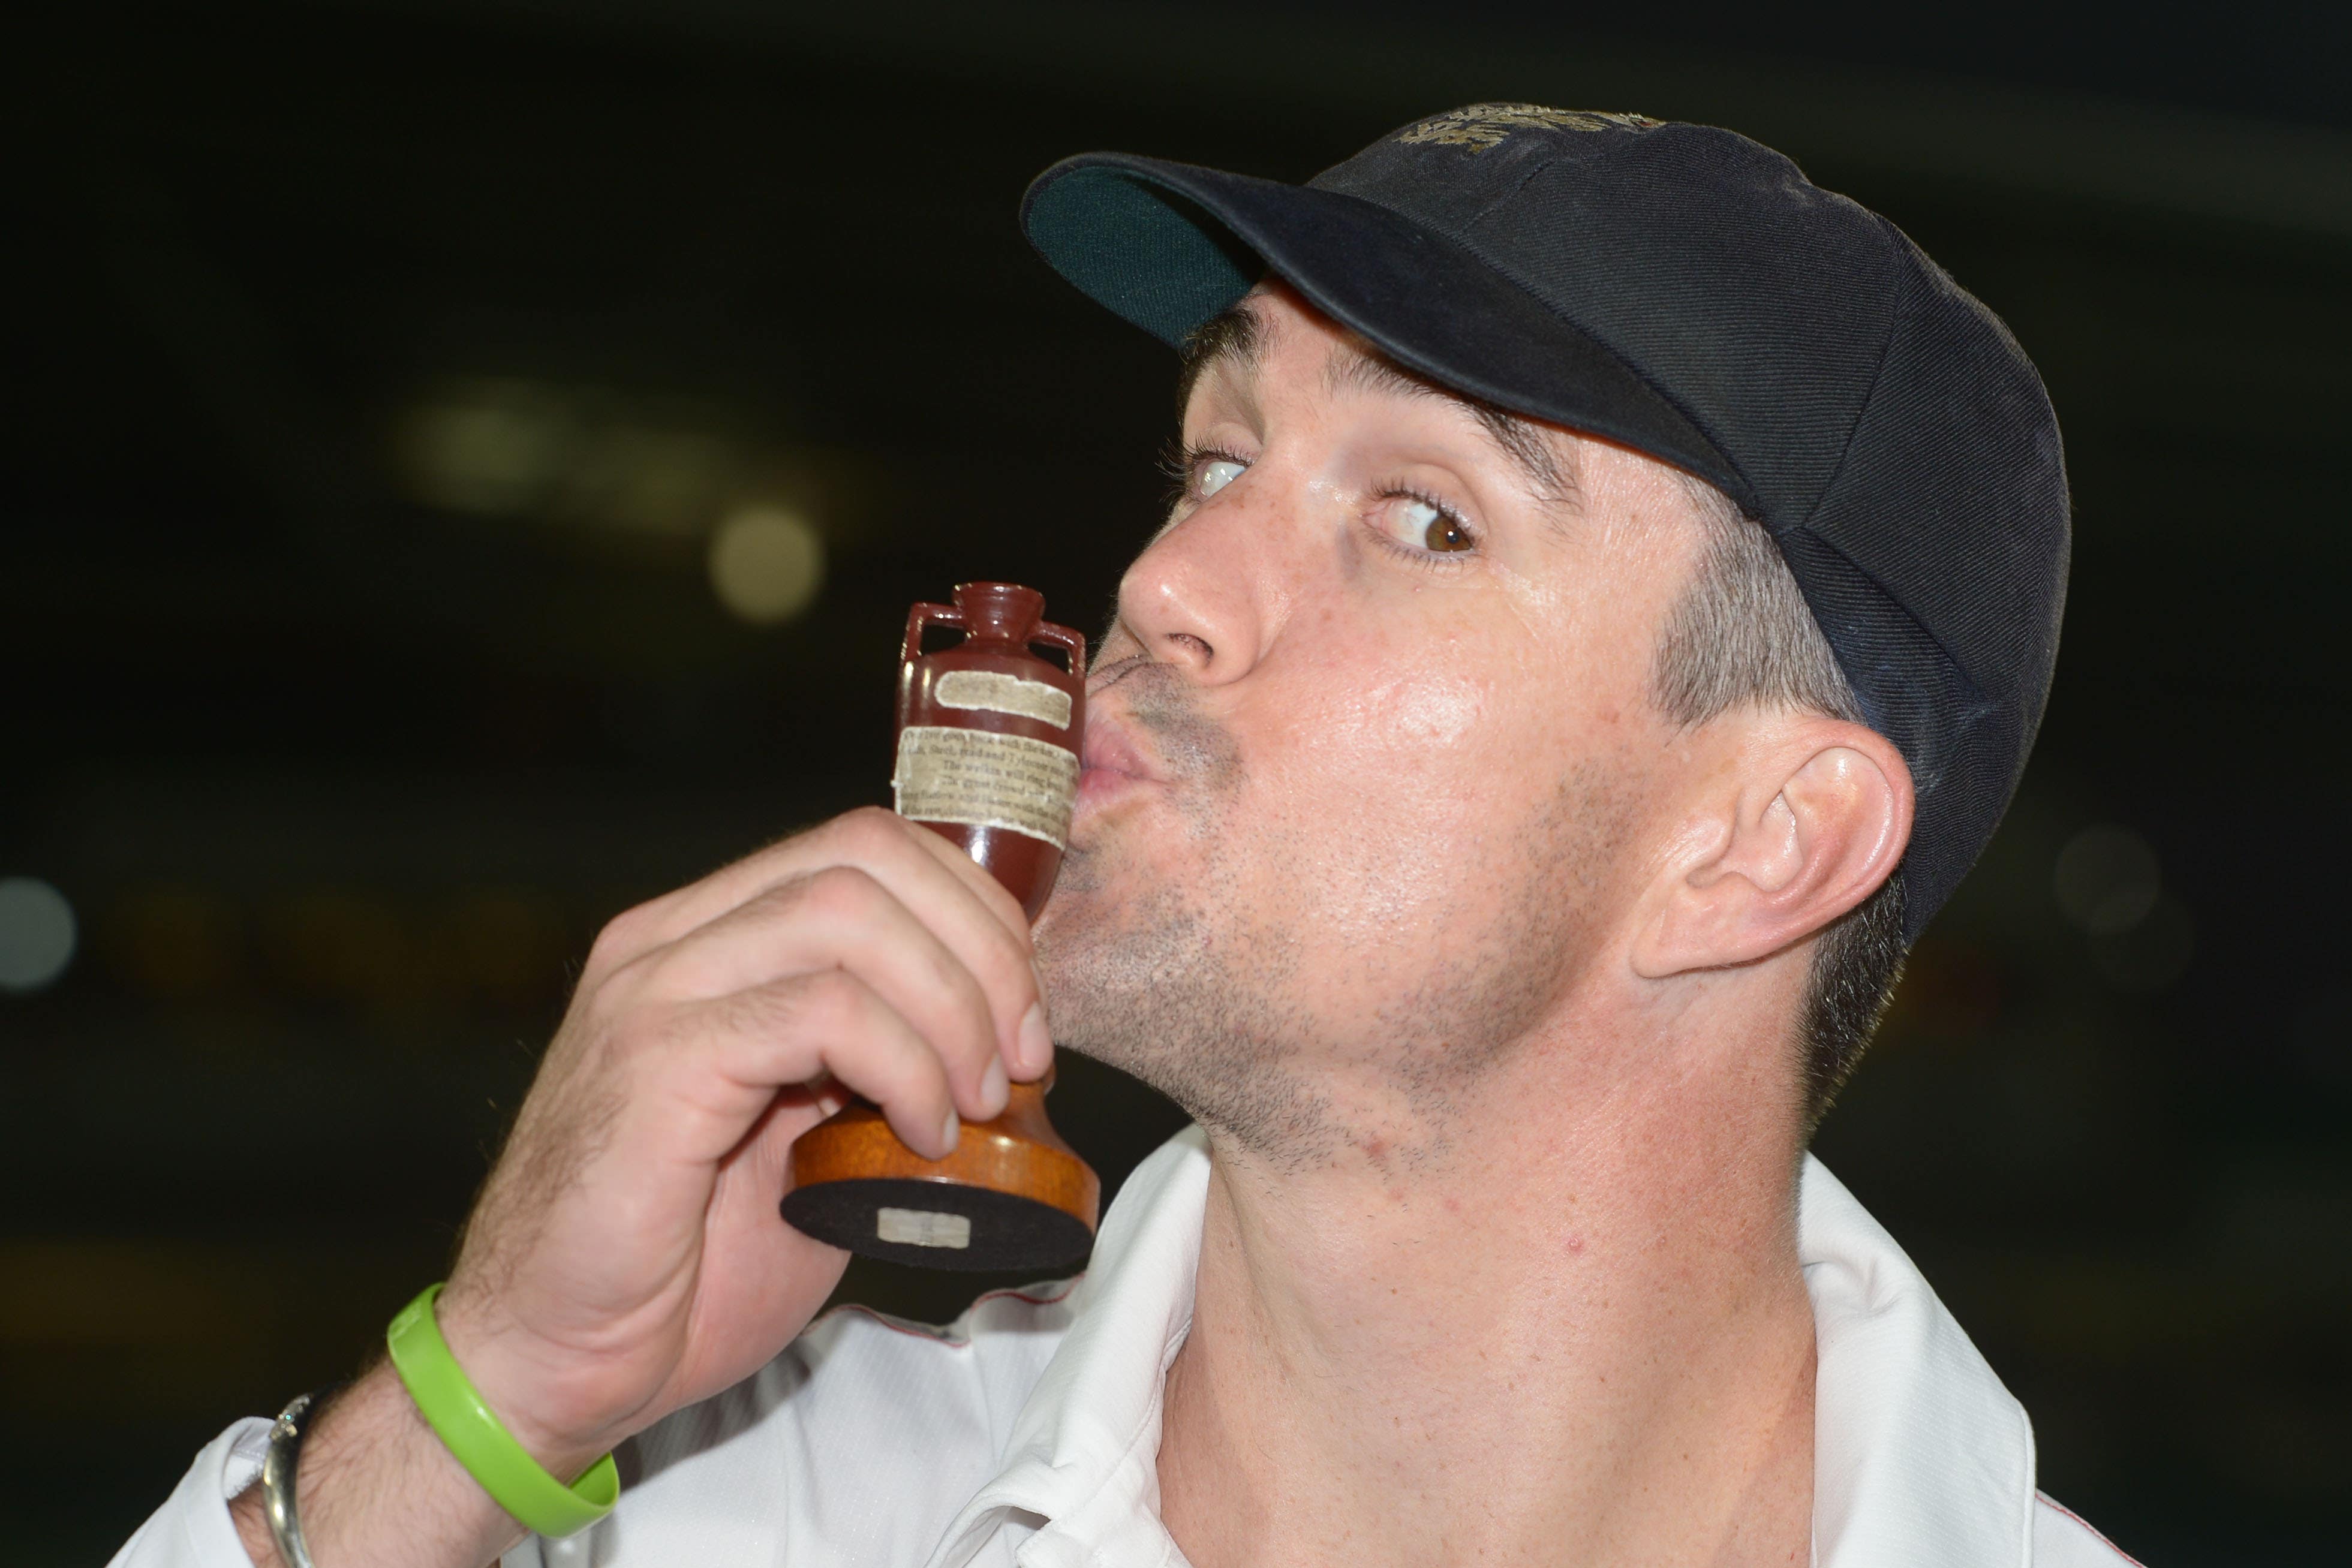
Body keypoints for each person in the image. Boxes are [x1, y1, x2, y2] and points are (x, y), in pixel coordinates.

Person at [115, 104, 2140, 1568]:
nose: (1167, 579)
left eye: (1422, 516)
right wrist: (488, 1404)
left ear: (1763, 842)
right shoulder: (728, 1504)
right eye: (1217, 455)